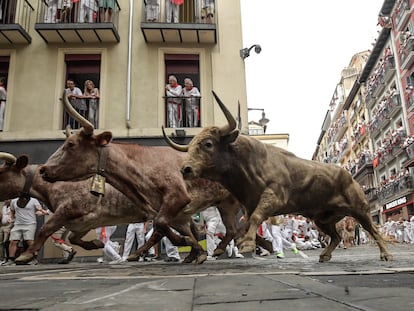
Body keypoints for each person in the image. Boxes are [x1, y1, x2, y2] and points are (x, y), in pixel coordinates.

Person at [2, 197, 48, 266]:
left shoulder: (33, 200)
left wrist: (41, 211)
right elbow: (12, 211)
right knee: (13, 241)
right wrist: (10, 217)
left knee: (29, 241)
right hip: (17, 224)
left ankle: (34, 259)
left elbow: (39, 209)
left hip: (30, 223)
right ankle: (11, 259)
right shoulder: (14, 201)